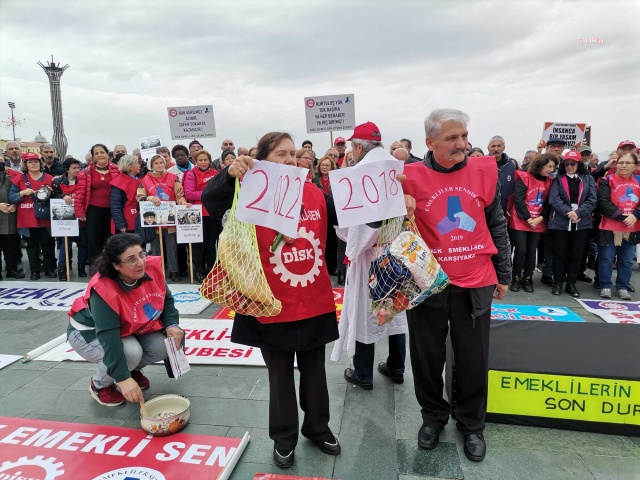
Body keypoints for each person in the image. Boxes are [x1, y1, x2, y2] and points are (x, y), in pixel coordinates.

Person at [202, 132, 341, 469]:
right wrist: (230, 173)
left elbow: (357, 216)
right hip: (267, 300)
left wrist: (397, 195)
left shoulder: (316, 193)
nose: (291, 160)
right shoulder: (250, 190)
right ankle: (284, 437)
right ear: (262, 159)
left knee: (315, 372)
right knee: (279, 375)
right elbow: (210, 199)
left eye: (294, 154)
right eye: (281, 154)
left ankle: (318, 428)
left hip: (313, 298)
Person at [401, 108, 511, 463]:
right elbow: (375, 223)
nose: (463, 144)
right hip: (427, 282)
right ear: (430, 143)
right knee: (426, 356)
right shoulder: (409, 177)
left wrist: (505, 273)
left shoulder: (483, 171)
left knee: (472, 358)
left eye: (464, 136)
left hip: (476, 281)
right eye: (452, 138)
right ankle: (432, 417)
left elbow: (497, 224)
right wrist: (395, 208)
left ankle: (471, 424)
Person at [331, 121, 408, 390]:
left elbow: (353, 225)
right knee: (397, 309)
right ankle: (397, 367)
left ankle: (363, 373)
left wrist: (352, 246)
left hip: (369, 256)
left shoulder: (359, 171)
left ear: (357, 146)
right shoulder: (394, 167)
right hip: (397, 251)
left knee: (365, 309)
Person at [67, 233, 184, 406]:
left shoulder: (151, 268)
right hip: (88, 333)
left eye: (141, 254)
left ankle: (131, 369)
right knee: (130, 353)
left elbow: (165, 300)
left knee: (163, 345)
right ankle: (100, 385)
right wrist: (122, 379)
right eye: (131, 259)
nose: (140, 262)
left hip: (125, 328)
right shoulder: (103, 289)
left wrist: (172, 325)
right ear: (116, 265)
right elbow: (108, 336)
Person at [547, 150, 597, 297]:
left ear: (579, 164)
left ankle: (571, 284)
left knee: (577, 254)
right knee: (559, 254)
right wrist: (569, 212)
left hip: (582, 222)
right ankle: (558, 283)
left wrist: (579, 212)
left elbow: (592, 200)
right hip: (561, 221)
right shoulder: (558, 179)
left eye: (572, 163)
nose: (569, 166)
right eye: (567, 163)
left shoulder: (588, 179)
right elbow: (554, 199)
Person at [508, 154, 557, 292]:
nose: (551, 169)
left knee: (531, 251)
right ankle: (516, 278)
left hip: (538, 220)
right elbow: (518, 199)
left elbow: (549, 202)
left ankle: (528, 279)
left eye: (553, 167)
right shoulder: (524, 177)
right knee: (520, 250)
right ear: (540, 165)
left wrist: (540, 218)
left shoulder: (551, 181)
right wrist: (528, 218)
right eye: (549, 166)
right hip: (521, 219)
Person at [137, 154, 189, 282]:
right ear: (151, 165)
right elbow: (139, 197)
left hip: (169, 217)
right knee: (155, 248)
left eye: (161, 162)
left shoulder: (173, 178)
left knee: (172, 246)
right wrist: (149, 198)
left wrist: (183, 203)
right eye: (156, 163)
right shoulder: (145, 180)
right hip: (153, 220)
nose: (160, 165)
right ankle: (156, 272)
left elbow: (179, 195)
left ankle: (174, 271)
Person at [596, 151, 640, 300]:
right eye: (621, 162)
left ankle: (622, 286)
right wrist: (622, 217)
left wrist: (635, 215)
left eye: (628, 163)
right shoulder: (606, 180)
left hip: (632, 227)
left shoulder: (639, 181)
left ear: (635, 166)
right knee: (606, 258)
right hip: (609, 226)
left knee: (626, 260)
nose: (624, 165)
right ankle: (605, 286)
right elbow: (603, 202)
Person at [8, 153, 57, 279]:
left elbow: (58, 195)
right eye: (30, 162)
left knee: (48, 244)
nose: (33, 164)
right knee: (32, 245)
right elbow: (11, 197)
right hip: (28, 217)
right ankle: (34, 271)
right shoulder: (19, 179)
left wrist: (52, 192)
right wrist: (22, 193)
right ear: (25, 164)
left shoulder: (49, 178)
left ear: (40, 163)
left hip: (45, 216)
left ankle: (50, 268)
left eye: (36, 161)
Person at [75, 144, 121, 266]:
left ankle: (110, 267)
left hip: (113, 211)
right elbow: (80, 193)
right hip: (93, 210)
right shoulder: (85, 172)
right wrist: (79, 211)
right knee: (94, 241)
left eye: (102, 152)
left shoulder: (117, 170)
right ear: (93, 157)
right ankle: (96, 268)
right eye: (96, 153)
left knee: (111, 240)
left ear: (107, 154)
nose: (100, 155)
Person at [183, 149, 220, 283]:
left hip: (213, 214)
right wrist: (209, 193)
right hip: (197, 215)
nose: (203, 162)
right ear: (196, 162)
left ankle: (211, 271)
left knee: (211, 245)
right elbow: (189, 193)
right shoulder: (191, 174)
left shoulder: (216, 173)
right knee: (199, 245)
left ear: (210, 160)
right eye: (200, 160)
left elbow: (220, 191)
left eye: (206, 160)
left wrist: (205, 193)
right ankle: (198, 270)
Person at [52, 157, 88, 280]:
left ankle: (81, 266)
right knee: (65, 245)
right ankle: (62, 268)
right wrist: (62, 196)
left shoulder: (83, 181)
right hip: (66, 221)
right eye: (74, 168)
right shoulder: (58, 182)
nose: (77, 170)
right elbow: (53, 196)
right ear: (67, 169)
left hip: (81, 219)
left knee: (83, 244)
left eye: (78, 168)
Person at [312, 156, 339, 279]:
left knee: (333, 242)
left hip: (334, 213)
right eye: (322, 165)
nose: (324, 167)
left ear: (332, 167)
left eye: (327, 165)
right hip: (320, 213)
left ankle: (332, 267)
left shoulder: (337, 179)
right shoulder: (314, 180)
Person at [0, 156, 24, 279]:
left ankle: (12, 269)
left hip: (10, 219)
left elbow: (16, 194)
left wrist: (15, 204)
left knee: (11, 247)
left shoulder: (11, 179)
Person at [110, 154, 141, 235]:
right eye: (137, 163)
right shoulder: (118, 183)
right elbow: (115, 206)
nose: (139, 165)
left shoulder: (140, 179)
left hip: (138, 220)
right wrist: (121, 225)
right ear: (130, 167)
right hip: (126, 223)